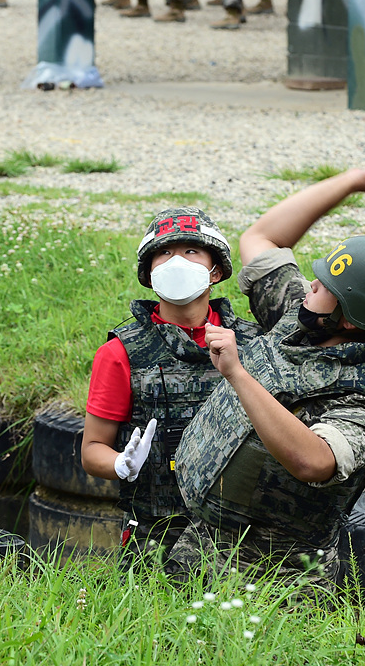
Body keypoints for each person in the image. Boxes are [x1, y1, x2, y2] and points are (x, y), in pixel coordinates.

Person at [166, 158, 365, 594]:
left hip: (276, 582)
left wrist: (238, 375)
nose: (312, 286)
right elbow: (262, 237)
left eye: (325, 287)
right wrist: (356, 180)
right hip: (201, 547)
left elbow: (315, 461)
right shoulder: (300, 318)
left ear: (350, 319)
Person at [81, 207, 259, 565]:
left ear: (217, 270)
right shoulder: (119, 353)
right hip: (156, 539)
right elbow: (92, 450)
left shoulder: (253, 344)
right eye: (164, 252)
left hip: (244, 539)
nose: (177, 260)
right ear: (149, 272)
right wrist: (120, 464)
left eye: (191, 250)